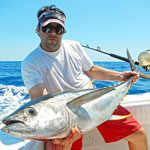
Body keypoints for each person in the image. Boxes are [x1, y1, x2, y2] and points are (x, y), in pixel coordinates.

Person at [21, 5, 148, 150]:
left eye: (59, 29)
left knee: (139, 134)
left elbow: (92, 70)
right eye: (48, 28)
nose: (53, 33)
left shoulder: (74, 46)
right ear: (38, 30)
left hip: (94, 101)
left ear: (64, 31)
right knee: (55, 147)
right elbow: (42, 99)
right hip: (65, 112)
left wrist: (121, 76)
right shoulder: (30, 62)